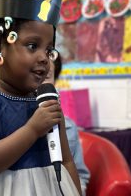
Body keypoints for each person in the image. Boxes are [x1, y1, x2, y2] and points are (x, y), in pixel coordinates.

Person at [0, 0, 82, 196]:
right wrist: (32, 130)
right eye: (33, 46)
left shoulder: (47, 101)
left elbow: (67, 160)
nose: (45, 58)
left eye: (49, 49)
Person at [46, 53, 91, 195]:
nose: (38, 81)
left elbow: (80, 175)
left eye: (46, 75)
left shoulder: (68, 127)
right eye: (35, 74)